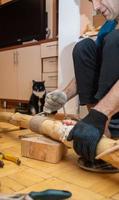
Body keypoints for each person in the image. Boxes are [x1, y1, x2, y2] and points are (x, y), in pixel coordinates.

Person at [43, 0, 119, 169]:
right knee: (83, 47)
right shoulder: (107, 28)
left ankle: (102, 123)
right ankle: (98, 131)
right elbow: (94, 68)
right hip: (105, 115)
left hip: (109, 113)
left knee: (116, 39)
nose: (95, 7)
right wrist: (65, 94)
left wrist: (101, 114)